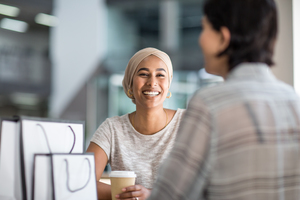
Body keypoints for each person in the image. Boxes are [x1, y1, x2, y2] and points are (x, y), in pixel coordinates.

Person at [147, 0, 300, 199]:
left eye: (204, 28)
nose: (200, 39)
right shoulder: (294, 102)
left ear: (224, 38)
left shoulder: (210, 104)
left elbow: (169, 195)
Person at [86, 47, 185, 200]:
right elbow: (83, 181)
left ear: (169, 83)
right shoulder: (112, 129)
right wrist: (129, 196)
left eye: (160, 75)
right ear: (130, 83)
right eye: (144, 74)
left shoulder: (188, 122)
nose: (152, 83)